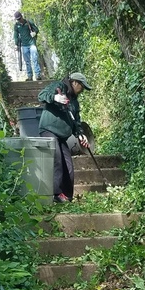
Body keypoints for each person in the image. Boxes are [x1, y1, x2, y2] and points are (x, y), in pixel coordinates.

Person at [38, 72, 91, 203]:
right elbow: (42, 95)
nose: (83, 90)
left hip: (61, 135)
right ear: (75, 83)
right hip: (49, 130)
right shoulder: (59, 86)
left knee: (68, 164)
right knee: (57, 159)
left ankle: (67, 196)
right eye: (82, 87)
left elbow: (76, 122)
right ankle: (56, 194)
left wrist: (81, 135)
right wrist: (55, 98)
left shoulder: (74, 102)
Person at [13, 10, 41, 81]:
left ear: (22, 16)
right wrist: (16, 44)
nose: (19, 20)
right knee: (27, 61)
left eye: (20, 18)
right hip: (24, 45)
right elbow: (15, 35)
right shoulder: (16, 26)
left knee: (35, 59)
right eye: (18, 19)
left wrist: (34, 33)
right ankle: (29, 76)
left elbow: (36, 29)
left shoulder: (28, 22)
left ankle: (38, 75)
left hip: (32, 44)